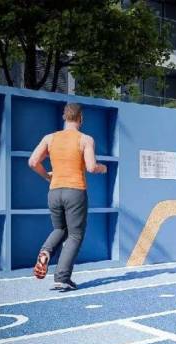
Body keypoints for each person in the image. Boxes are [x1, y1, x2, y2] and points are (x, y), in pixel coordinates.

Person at [29, 103, 108, 290]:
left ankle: (45, 252)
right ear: (81, 118)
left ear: (64, 117)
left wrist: (47, 176)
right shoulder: (85, 139)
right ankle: (62, 278)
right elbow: (91, 167)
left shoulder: (49, 138)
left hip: (54, 191)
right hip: (75, 191)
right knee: (75, 235)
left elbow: (32, 162)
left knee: (59, 229)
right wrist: (102, 168)